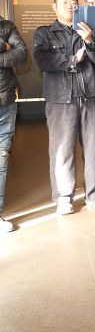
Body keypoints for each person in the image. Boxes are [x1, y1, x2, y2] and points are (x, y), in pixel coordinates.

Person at [33, 0, 95, 215]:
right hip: (60, 99)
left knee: (94, 148)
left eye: (73, 2)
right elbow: (42, 60)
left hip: (90, 95)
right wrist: (72, 60)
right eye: (64, 2)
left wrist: (90, 41)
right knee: (62, 149)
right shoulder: (44, 33)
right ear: (54, 7)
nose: (70, 5)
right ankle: (64, 197)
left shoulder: (91, 29)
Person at [0, 15, 28, 232]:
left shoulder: (6, 25)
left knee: (1, 157)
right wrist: (4, 47)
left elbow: (21, 53)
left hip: (5, 100)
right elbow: (12, 51)